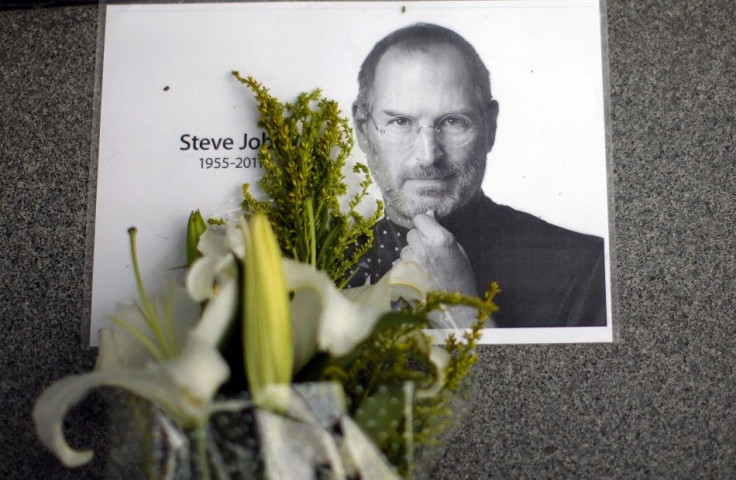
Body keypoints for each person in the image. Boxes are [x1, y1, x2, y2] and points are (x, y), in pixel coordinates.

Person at [348, 23, 607, 328]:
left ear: (490, 128)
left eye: (453, 121)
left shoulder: (584, 268)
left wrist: (461, 311)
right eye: (401, 121)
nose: (429, 155)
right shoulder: (314, 267)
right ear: (363, 129)